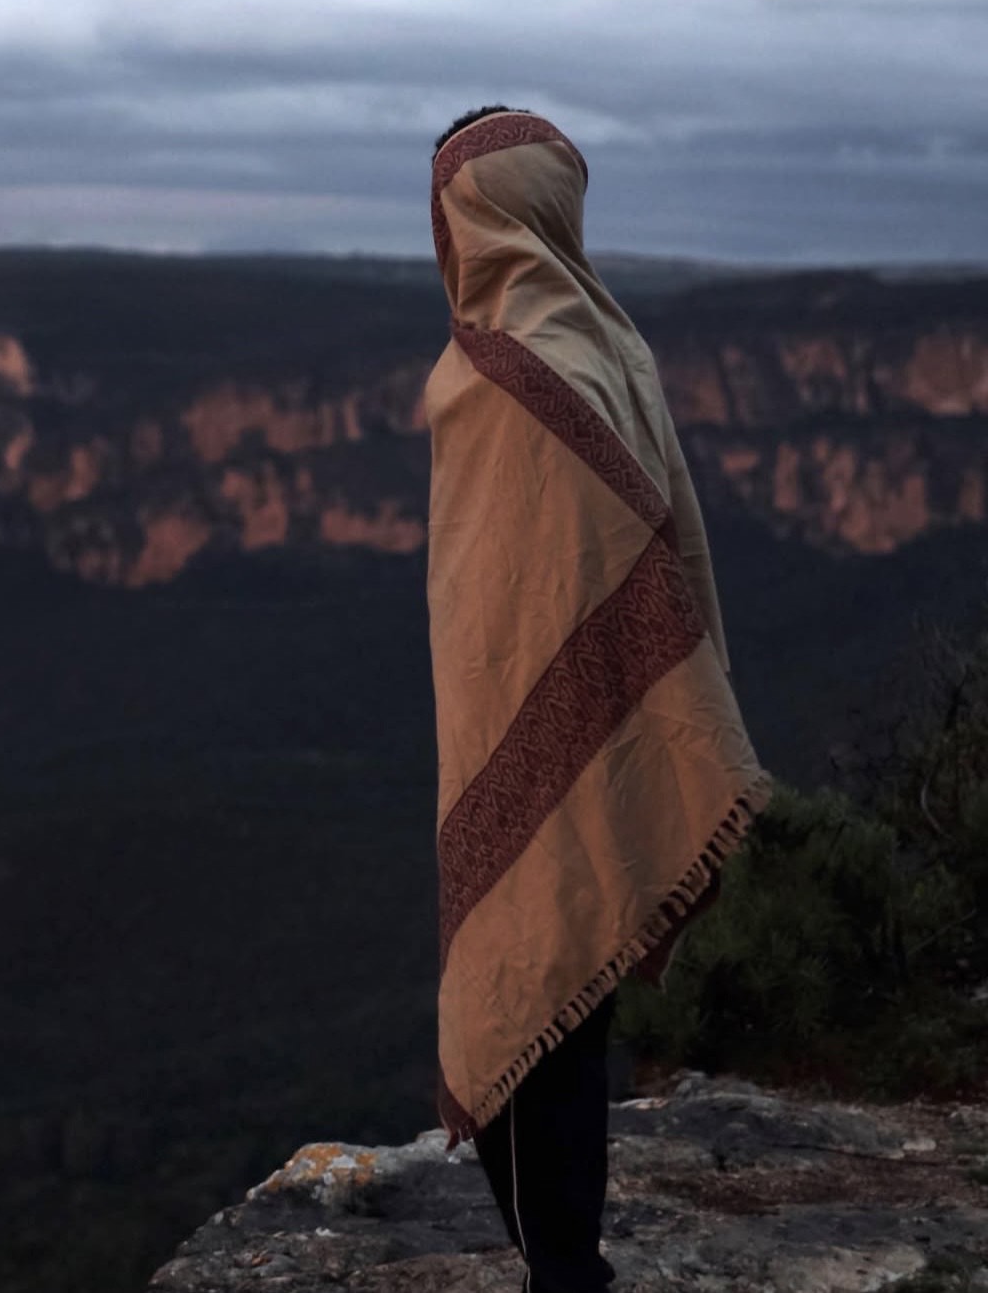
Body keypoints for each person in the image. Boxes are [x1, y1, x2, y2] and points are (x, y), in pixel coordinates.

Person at [425, 106, 771, 1293]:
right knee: (575, 975)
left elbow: (563, 567)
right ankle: (571, 1259)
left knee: (534, 970)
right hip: (612, 707)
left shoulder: (500, 369)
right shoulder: (608, 341)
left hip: (536, 711)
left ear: (470, 213)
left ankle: (565, 1267)